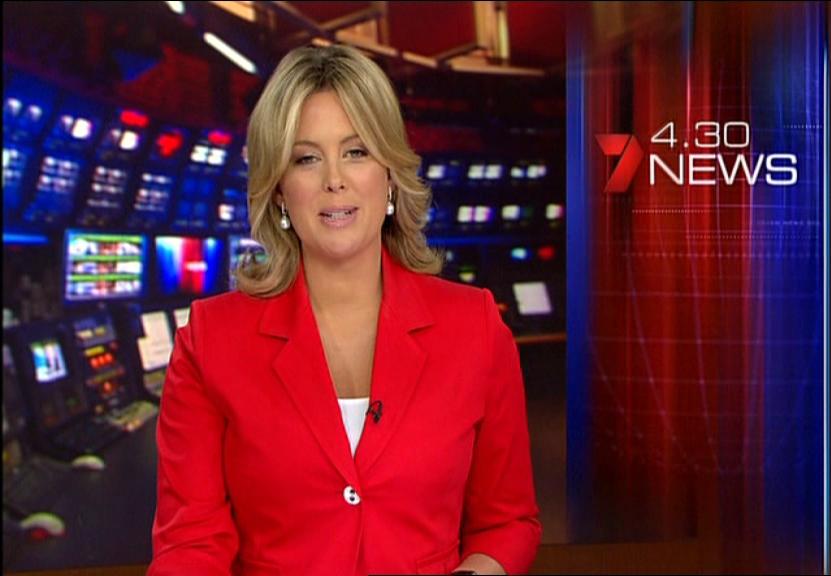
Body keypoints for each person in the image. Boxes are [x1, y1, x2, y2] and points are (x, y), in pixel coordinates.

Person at [148, 44, 541, 575]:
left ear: (390, 174)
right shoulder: (211, 339)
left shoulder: (475, 326)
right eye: (306, 158)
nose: (334, 179)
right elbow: (191, 543)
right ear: (280, 191)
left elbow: (506, 522)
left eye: (356, 152)